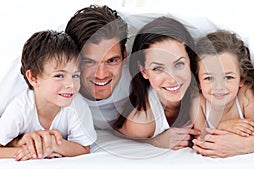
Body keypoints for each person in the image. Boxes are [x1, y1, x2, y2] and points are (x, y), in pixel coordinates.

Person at [192, 30, 254, 157]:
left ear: (241, 79)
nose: (219, 87)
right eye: (209, 78)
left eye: (228, 77)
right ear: (198, 82)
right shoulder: (198, 102)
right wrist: (224, 126)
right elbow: (200, 139)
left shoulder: (245, 95)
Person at [0, 30, 96, 160]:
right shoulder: (21, 108)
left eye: (75, 75)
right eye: (59, 76)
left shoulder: (76, 106)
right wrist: (30, 152)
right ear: (33, 78)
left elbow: (84, 148)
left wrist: (53, 145)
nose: (70, 85)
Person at [114, 16, 200, 150]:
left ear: (190, 60)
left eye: (179, 64)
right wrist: (154, 142)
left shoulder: (207, 90)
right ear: (143, 71)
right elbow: (122, 142)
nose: (172, 79)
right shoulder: (141, 122)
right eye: (158, 68)